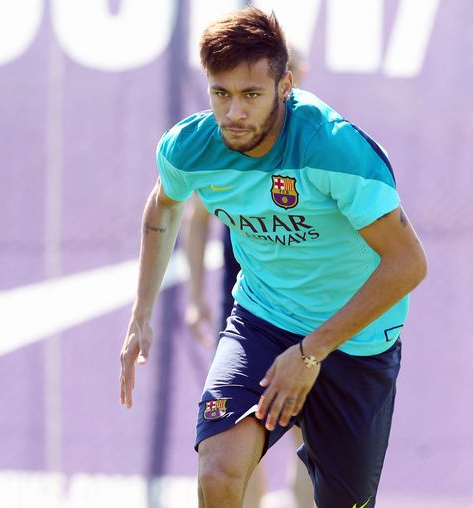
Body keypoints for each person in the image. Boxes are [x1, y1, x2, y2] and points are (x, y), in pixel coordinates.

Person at [119, 7, 427, 508]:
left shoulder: (334, 149)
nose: (233, 113)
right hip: (262, 321)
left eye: (250, 95)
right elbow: (164, 205)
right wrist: (141, 314)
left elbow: (409, 264)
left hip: (356, 339)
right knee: (218, 471)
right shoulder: (190, 147)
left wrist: (311, 352)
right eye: (220, 94)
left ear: (285, 86)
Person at [183, 45, 313, 508]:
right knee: (239, 430)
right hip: (247, 311)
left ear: (291, 78)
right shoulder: (227, 141)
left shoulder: (322, 143)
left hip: (310, 310)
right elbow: (195, 216)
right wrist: (195, 297)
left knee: (307, 429)